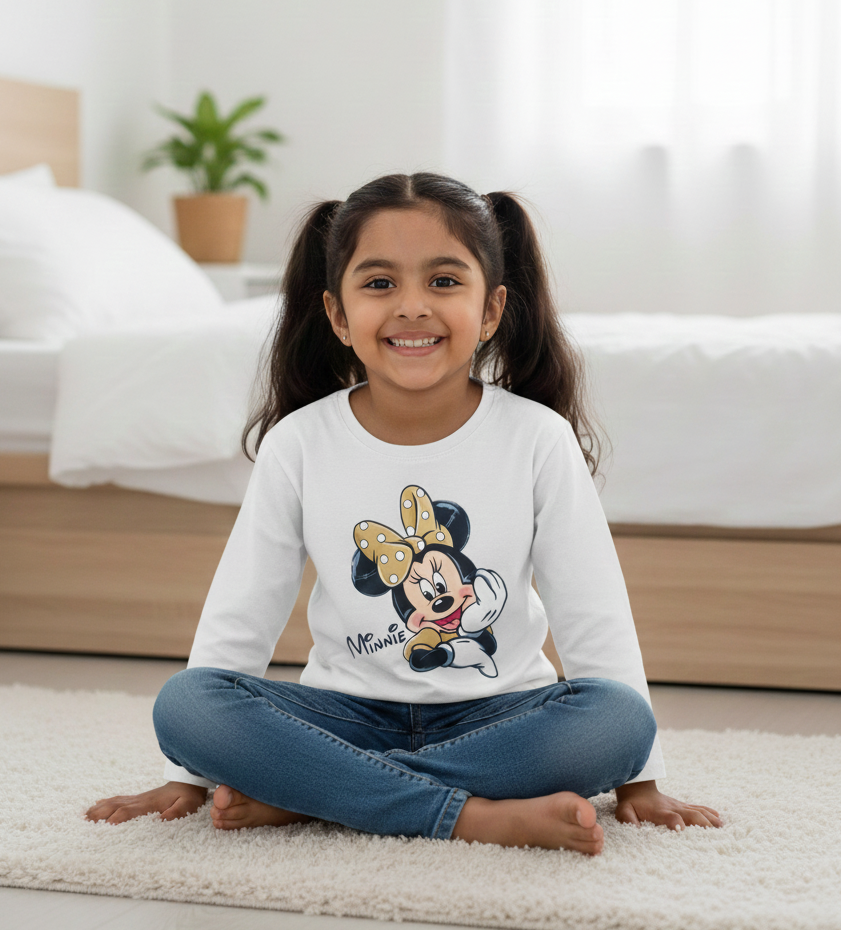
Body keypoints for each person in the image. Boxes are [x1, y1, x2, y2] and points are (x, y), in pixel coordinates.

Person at [86, 173, 721, 854]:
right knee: (187, 706)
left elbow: (592, 609)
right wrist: (185, 775)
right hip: (343, 715)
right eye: (379, 283)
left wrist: (639, 782)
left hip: (503, 713)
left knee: (617, 721)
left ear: (490, 309)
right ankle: (475, 814)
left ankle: (313, 794)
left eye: (444, 281)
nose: (412, 306)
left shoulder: (536, 437)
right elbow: (242, 612)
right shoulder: (299, 442)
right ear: (336, 314)